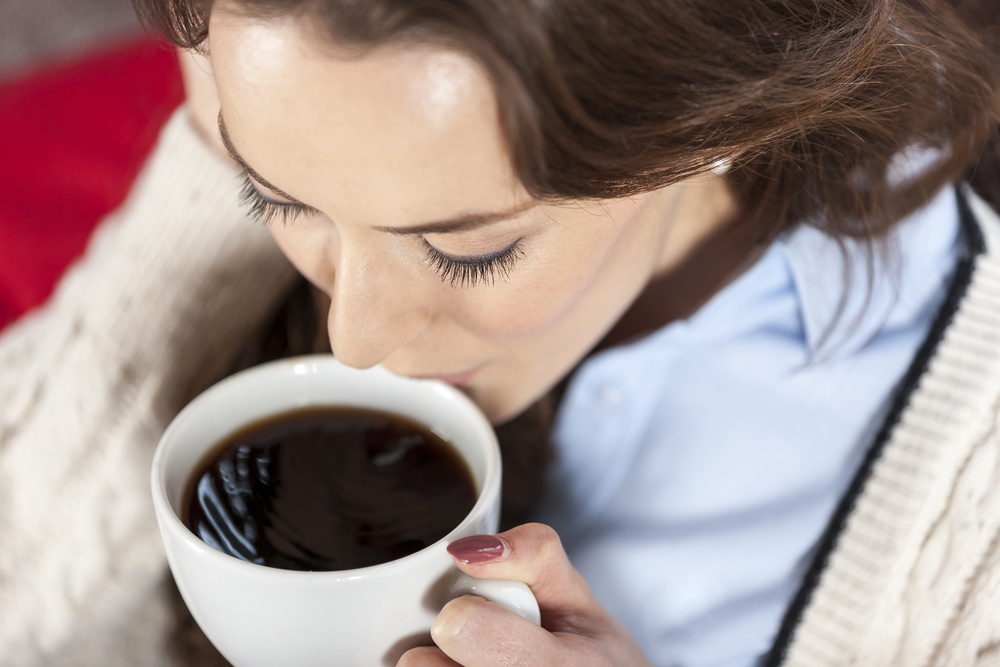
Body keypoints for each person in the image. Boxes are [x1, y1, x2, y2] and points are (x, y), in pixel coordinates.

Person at [2, 0, 999, 665]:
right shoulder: (305, 103)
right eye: (274, 196)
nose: (355, 339)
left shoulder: (972, 500)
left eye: (467, 252)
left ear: (716, 124)